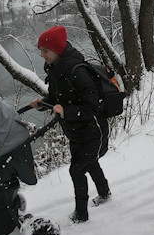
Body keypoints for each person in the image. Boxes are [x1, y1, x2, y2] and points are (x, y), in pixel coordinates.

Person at [30, 26, 111, 224]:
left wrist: (67, 112)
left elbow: (94, 107)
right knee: (89, 162)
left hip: (93, 130)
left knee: (77, 170)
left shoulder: (78, 72)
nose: (42, 55)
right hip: (75, 130)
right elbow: (59, 97)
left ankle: (81, 214)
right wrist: (43, 104)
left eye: (45, 51)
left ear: (57, 50)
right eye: (40, 50)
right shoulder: (58, 70)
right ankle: (104, 192)